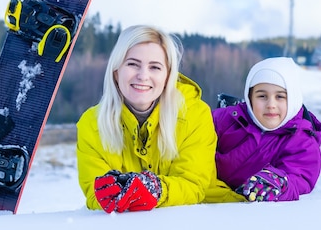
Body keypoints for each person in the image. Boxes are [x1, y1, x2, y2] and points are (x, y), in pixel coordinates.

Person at [76, 25, 239, 213]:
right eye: (132, 64)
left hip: (206, 214)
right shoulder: (92, 124)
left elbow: (194, 185)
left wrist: (156, 190)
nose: (143, 76)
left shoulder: (194, 113)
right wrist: (109, 195)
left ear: (167, 75)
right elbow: (93, 193)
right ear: (116, 70)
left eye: (155, 67)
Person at [210, 57, 321, 202]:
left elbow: (299, 176)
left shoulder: (302, 141)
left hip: (255, 215)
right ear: (250, 97)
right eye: (262, 96)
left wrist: (280, 183)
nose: (271, 104)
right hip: (211, 201)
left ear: (294, 98)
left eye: (280, 97)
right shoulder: (226, 119)